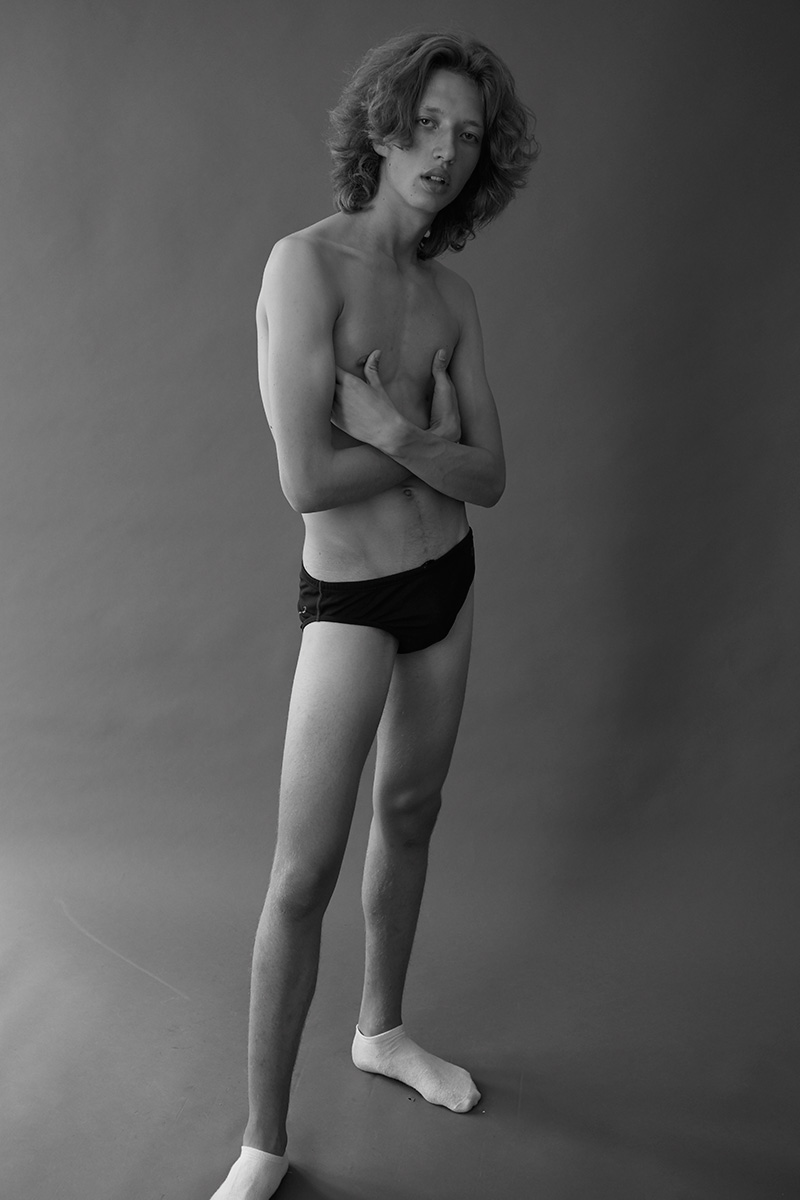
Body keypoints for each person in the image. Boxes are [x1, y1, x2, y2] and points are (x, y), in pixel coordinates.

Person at [211, 30, 537, 1200]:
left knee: (410, 811)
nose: (444, 151)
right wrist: (432, 449)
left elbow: (490, 479)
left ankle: (380, 1030)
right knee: (302, 872)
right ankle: (262, 1141)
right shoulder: (303, 267)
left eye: (468, 135)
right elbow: (304, 479)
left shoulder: (451, 297)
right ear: (383, 126)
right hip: (351, 597)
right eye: (427, 123)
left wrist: (397, 432)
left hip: (446, 579)